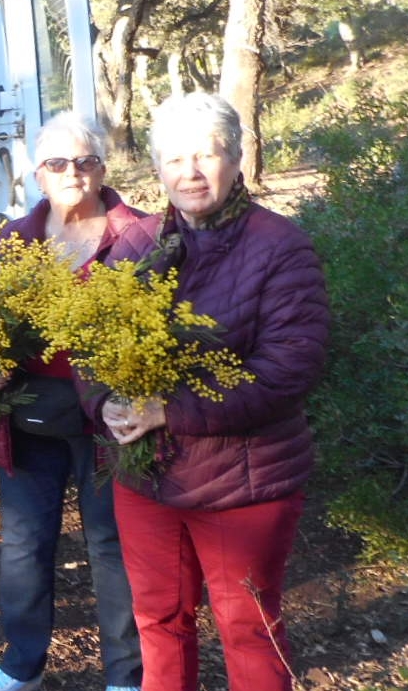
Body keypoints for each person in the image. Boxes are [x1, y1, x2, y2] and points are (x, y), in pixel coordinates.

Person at [95, 92, 328, 691]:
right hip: (146, 478)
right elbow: (94, 347)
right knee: (158, 621)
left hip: (241, 480)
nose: (190, 173)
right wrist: (106, 403)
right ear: (156, 169)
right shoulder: (137, 243)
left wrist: (165, 409)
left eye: (207, 155)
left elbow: (285, 373)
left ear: (238, 157)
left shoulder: (280, 247)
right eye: (174, 159)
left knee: (247, 628)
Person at [0, 112, 144, 691]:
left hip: (110, 423)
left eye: (86, 160)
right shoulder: (10, 242)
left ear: (102, 167)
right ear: (36, 174)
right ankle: (22, 665)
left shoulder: (142, 236)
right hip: (27, 418)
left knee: (112, 545)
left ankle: (126, 674)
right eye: (58, 163)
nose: (73, 172)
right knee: (24, 544)